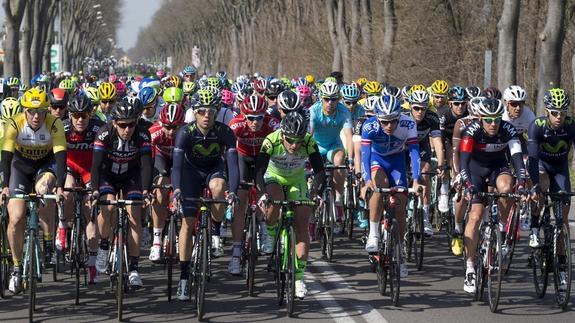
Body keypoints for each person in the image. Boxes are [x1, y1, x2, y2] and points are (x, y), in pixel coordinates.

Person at [171, 88, 239, 301]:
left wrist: (233, 192)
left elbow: (233, 166)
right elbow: (177, 167)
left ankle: (216, 230)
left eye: (211, 111)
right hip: (190, 173)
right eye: (201, 111)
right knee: (187, 224)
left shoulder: (225, 132)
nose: (206, 115)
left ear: (217, 111)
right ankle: (183, 278)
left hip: (213, 169)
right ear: (195, 112)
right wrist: (177, 190)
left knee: (219, 187)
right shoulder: (185, 132)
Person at [2, 89, 66, 294]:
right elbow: (5, 156)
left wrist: (60, 186)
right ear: (24, 111)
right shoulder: (15, 123)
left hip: (44, 167)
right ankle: (17, 267)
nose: (36, 116)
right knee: (16, 217)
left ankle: (48, 240)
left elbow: (61, 158)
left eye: (41, 111)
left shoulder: (54, 124)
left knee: (43, 190)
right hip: (20, 167)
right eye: (31, 111)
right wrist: (4, 186)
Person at [459, 97, 526, 294]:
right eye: (488, 120)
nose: (493, 124)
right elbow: (464, 162)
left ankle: (501, 231)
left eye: (497, 119)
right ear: (480, 118)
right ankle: (470, 268)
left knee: (507, 188)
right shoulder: (471, 131)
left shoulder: (508, 130)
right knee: (476, 215)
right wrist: (468, 184)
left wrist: (521, 183)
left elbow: (518, 160)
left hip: (498, 168)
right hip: (475, 171)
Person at [256, 112, 325, 299]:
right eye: (290, 140)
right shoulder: (271, 140)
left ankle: (299, 278)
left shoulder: (309, 141)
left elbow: (319, 170)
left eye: (298, 141)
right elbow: (260, 170)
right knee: (274, 200)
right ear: (282, 134)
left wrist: (316, 193)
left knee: (302, 223)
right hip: (273, 177)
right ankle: (270, 233)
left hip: (297, 180)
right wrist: (263, 194)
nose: (294, 145)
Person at [91, 97, 153, 289]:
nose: (127, 130)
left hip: (130, 176)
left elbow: (145, 165)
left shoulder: (142, 135)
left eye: (131, 125)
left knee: (134, 215)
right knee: (107, 205)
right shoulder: (104, 133)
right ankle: (103, 245)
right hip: (107, 175)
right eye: (123, 125)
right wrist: (94, 191)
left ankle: (134, 268)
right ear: (114, 123)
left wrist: (145, 192)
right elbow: (96, 165)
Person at [362, 95, 423, 278]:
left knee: (400, 208)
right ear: (377, 118)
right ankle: (373, 234)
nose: (389, 126)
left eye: (393, 121)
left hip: (397, 162)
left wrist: (417, 179)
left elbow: (414, 153)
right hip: (377, 161)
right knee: (378, 187)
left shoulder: (408, 124)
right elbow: (364, 155)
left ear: (399, 117)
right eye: (384, 122)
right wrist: (366, 181)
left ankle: (400, 249)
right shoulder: (369, 126)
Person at [227, 94, 279, 273]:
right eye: (251, 118)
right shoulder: (236, 124)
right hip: (243, 158)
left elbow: (280, 148)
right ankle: (235, 252)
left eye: (259, 118)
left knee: (267, 195)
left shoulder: (272, 124)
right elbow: (226, 150)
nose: (255, 122)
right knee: (241, 201)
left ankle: (264, 226)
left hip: (264, 159)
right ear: (244, 115)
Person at [60, 95, 105, 284]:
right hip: (69, 166)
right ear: (70, 115)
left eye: (84, 115)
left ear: (90, 114)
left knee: (91, 212)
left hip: (89, 170)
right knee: (68, 189)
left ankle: (92, 263)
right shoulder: (62, 127)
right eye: (76, 115)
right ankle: (63, 225)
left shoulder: (97, 127)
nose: (80, 120)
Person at [309, 81, 353, 234]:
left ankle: (338, 200)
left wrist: (352, 160)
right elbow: (309, 135)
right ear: (320, 98)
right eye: (326, 99)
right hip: (315, 146)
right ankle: (311, 220)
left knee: (340, 161)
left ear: (338, 99)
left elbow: (348, 137)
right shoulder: (314, 111)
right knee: (314, 185)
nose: (330, 103)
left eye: (333, 99)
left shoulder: (344, 112)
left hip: (333, 146)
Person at [147, 103, 186, 262]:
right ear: (161, 123)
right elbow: (147, 161)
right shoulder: (154, 132)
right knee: (160, 187)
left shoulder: (187, 132)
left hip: (181, 159)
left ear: (182, 124)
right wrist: (148, 186)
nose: (171, 131)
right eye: (167, 127)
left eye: (175, 127)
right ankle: (156, 240)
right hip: (161, 159)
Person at [404, 90, 445, 236]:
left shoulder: (432, 117)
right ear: (410, 106)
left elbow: (437, 142)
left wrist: (441, 164)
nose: (420, 112)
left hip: (421, 146)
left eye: (423, 108)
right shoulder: (402, 116)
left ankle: (425, 216)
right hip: (402, 147)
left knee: (425, 173)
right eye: (416, 108)